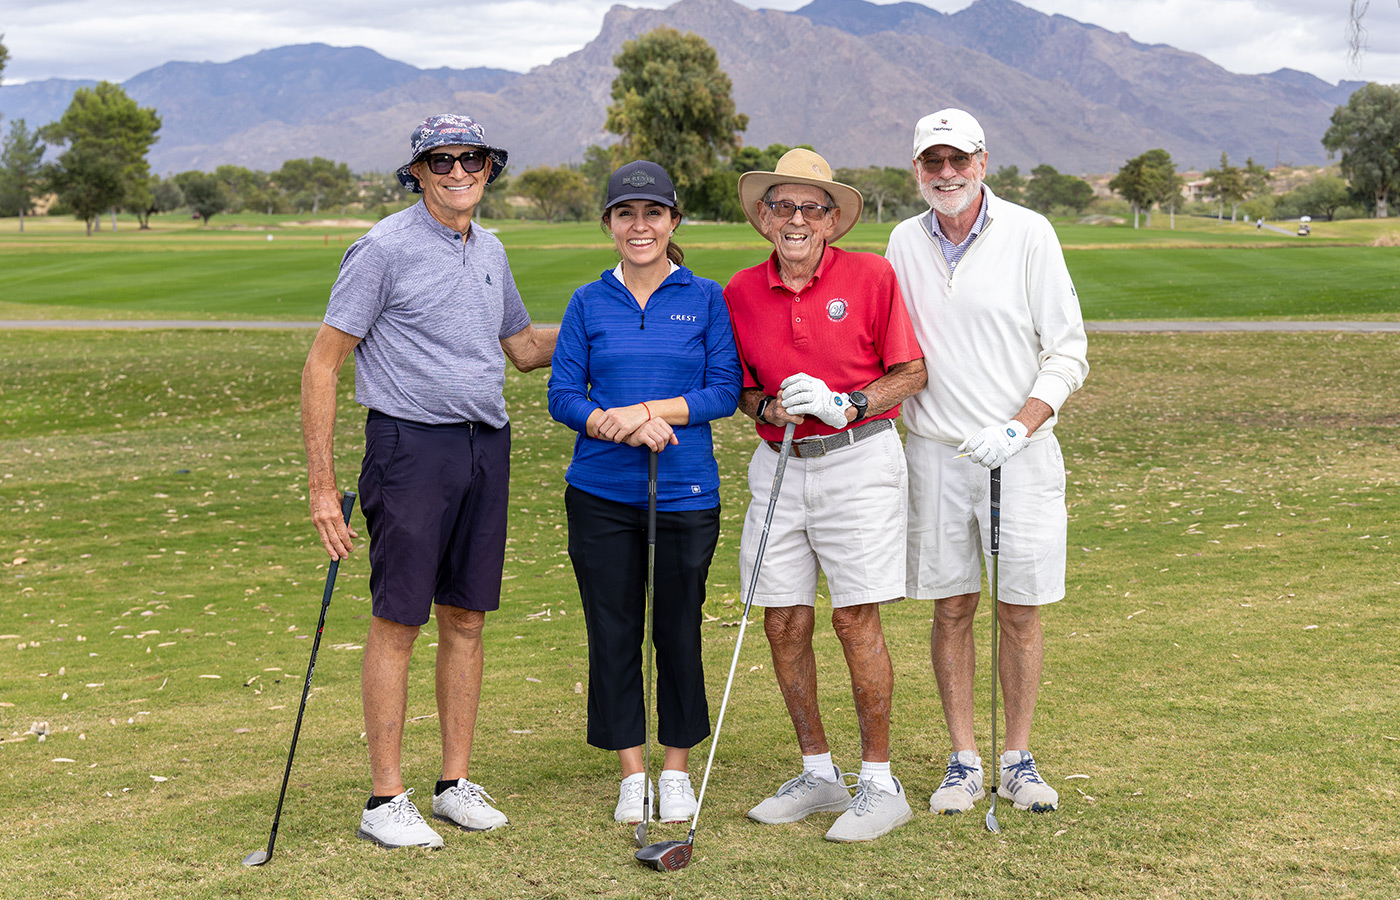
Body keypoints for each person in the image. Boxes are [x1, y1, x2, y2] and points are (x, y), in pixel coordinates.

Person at [300, 113, 557, 849]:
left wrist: (608, 322)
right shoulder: (382, 248)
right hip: (409, 449)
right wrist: (322, 486)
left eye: (470, 158)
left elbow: (519, 347)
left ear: (488, 167)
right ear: (417, 172)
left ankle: (453, 784)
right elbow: (323, 362)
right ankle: (385, 799)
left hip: (485, 446)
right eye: (439, 160)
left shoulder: (492, 248)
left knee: (467, 617)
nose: (456, 171)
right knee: (399, 619)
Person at [885, 108, 1089, 816]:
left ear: (982, 161)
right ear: (918, 170)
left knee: (1021, 607)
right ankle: (964, 759)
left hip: (1020, 452)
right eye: (932, 163)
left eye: (957, 160)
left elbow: (1067, 351)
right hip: (937, 453)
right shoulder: (902, 241)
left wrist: (1019, 424)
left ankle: (1018, 759)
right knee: (951, 607)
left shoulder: (1029, 232)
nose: (946, 174)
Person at [723, 149, 927, 843]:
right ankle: (819, 773)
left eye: (812, 208)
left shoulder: (871, 276)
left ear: (833, 220)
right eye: (783, 206)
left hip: (858, 458)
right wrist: (766, 409)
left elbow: (911, 371)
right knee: (783, 620)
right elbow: (741, 390)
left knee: (853, 619)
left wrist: (851, 402)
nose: (797, 220)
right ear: (763, 217)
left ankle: (880, 782)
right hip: (780, 462)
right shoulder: (741, 292)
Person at [548, 161, 741, 826]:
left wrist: (647, 410)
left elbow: (723, 389)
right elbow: (563, 394)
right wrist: (608, 422)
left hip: (685, 492)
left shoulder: (706, 296)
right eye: (625, 214)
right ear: (608, 224)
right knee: (613, 631)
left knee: (678, 631)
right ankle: (632, 773)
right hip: (600, 491)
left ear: (673, 222)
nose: (639, 226)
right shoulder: (586, 302)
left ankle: (675, 770)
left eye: (652, 213)